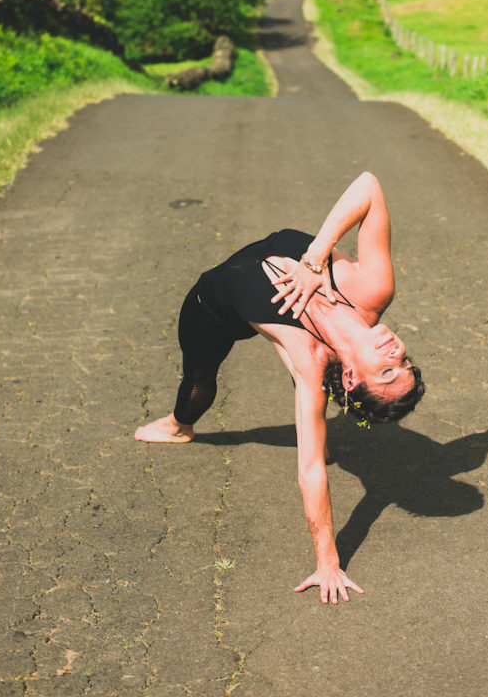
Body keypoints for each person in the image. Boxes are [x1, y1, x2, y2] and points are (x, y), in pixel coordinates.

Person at [135, 171, 425, 604]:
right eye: (404, 361)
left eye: (387, 370)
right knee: (307, 356)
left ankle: (180, 426)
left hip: (211, 305)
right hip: (286, 293)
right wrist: (314, 261)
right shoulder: (372, 289)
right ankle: (190, 421)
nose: (395, 351)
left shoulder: (311, 364)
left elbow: (310, 471)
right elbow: (368, 185)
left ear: (352, 378)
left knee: (200, 377)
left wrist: (327, 562)